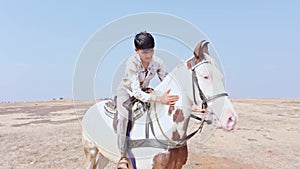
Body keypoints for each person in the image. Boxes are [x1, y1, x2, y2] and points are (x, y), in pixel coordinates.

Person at [116, 31, 179, 168]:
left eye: (151, 51)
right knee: (123, 117)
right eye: (145, 53)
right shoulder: (131, 63)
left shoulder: (158, 62)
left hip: (145, 91)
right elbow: (136, 93)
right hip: (127, 92)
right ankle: (122, 157)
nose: (149, 55)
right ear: (136, 51)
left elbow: (168, 82)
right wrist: (159, 98)